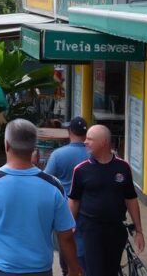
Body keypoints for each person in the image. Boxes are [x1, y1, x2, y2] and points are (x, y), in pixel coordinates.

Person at [0, 119, 80, 276]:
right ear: (34, 148)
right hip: (40, 271)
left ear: (7, 145)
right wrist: (73, 269)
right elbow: (66, 236)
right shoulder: (54, 186)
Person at [68, 124, 144, 276]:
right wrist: (69, 227)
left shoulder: (123, 167)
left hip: (116, 229)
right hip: (91, 229)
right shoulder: (81, 170)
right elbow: (74, 200)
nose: (85, 142)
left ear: (103, 142)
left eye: (90, 139)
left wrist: (139, 231)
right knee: (95, 271)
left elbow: (131, 199)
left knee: (111, 271)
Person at [43, 116, 90, 275]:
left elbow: (46, 180)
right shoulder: (94, 154)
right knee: (85, 243)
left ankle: (67, 269)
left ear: (69, 132)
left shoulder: (58, 155)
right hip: (89, 208)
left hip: (64, 209)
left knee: (66, 241)